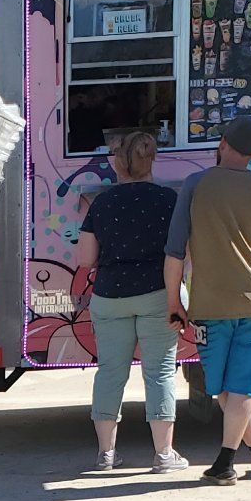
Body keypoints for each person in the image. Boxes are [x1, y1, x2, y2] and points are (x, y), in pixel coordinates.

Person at [164, 114, 251, 485]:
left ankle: (225, 462)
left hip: (209, 306)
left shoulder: (195, 184)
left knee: (224, 388)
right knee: (241, 387)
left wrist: (174, 302)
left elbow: (175, 251)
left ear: (222, 143)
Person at [73, 131, 188, 473]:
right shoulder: (169, 200)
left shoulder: (102, 203)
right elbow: (183, 251)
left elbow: (85, 259)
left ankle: (106, 455)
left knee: (110, 372)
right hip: (158, 294)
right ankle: (164, 455)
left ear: (118, 164)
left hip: (110, 297)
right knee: (160, 372)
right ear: (152, 160)